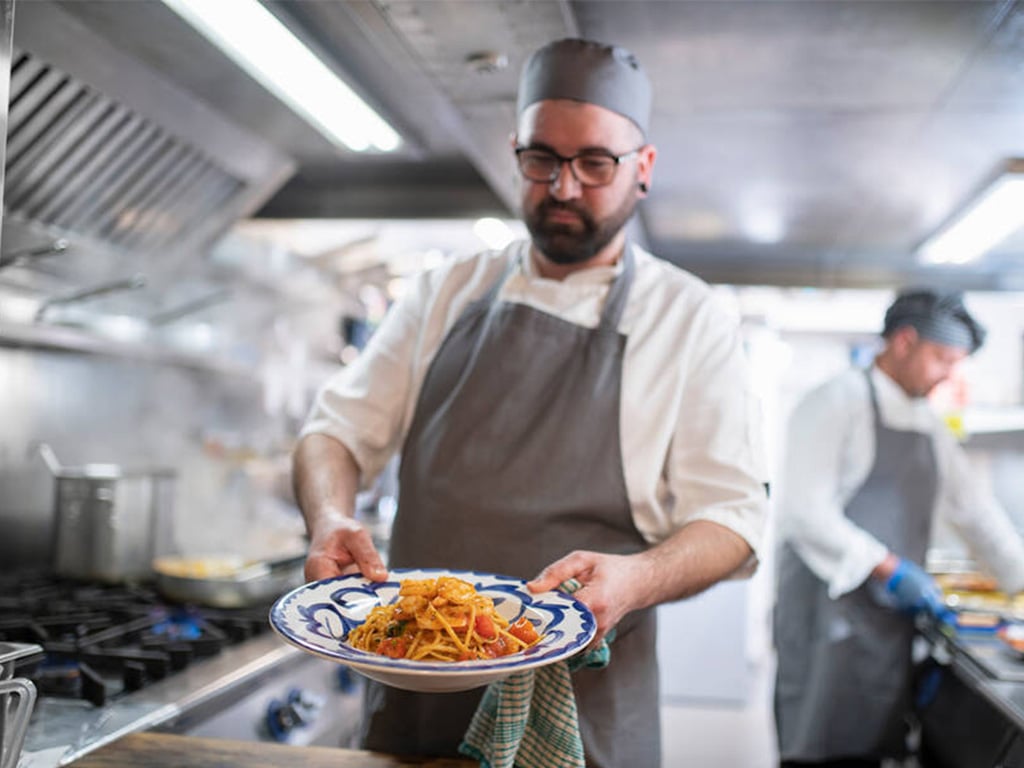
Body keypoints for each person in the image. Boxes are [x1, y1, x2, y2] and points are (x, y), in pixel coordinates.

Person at [293, 37, 768, 768]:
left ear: (643, 169)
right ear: (516, 153)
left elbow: (733, 520)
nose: (565, 188)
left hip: (586, 710)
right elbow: (335, 433)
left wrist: (637, 579)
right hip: (415, 686)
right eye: (542, 159)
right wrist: (329, 517)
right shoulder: (444, 292)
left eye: (596, 164)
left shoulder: (691, 318)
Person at [773, 289, 1024, 767]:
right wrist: (890, 568)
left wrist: (1020, 578)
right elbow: (806, 510)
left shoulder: (929, 425)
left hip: (886, 623)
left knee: (870, 747)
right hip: (826, 611)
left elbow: (976, 512)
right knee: (816, 745)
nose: (949, 374)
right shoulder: (834, 401)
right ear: (905, 342)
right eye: (942, 359)